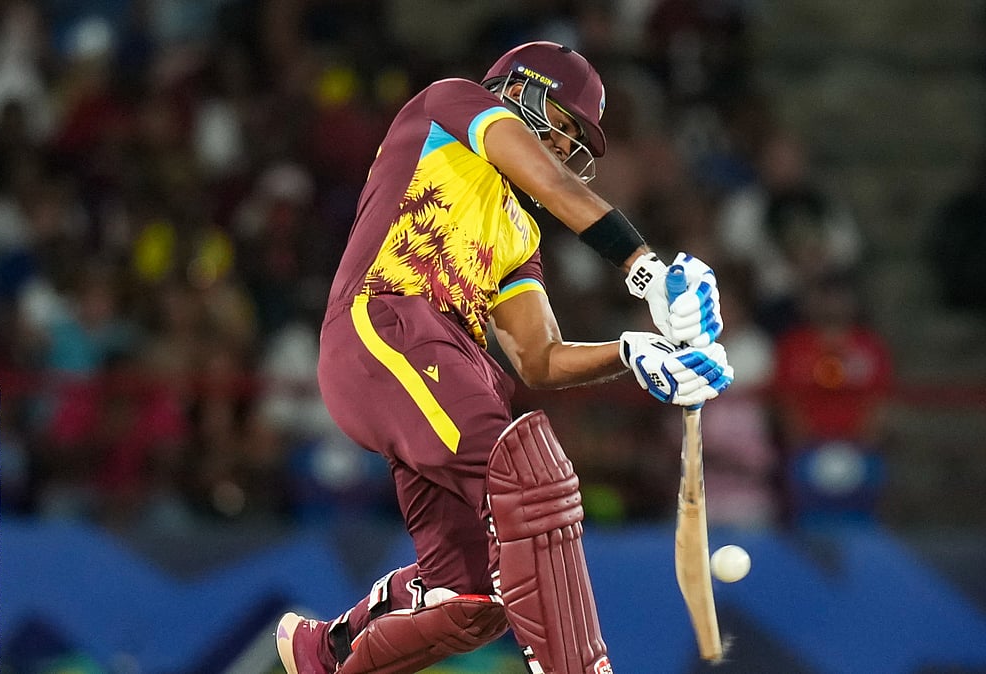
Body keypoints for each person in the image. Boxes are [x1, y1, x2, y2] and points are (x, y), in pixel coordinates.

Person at [276, 41, 732, 674]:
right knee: (533, 477)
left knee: (471, 597)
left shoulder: (519, 229)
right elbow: (551, 179)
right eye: (565, 128)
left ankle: (328, 651)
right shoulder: (452, 105)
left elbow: (538, 358)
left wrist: (633, 352)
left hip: (446, 362)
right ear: (523, 91)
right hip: (385, 324)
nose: (565, 150)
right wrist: (646, 270)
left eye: (576, 144)